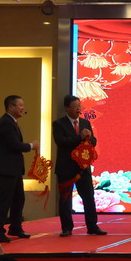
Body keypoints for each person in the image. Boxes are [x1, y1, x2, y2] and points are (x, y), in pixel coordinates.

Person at [53, 95, 106, 237]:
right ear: (66, 108)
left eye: (79, 105)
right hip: (66, 168)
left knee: (88, 197)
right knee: (65, 199)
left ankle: (92, 226)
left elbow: (93, 142)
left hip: (83, 168)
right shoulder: (58, 124)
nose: (78, 108)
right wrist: (80, 137)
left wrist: (90, 137)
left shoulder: (85, 123)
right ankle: (67, 228)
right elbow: (61, 142)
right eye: (75, 106)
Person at [0, 95, 39, 243]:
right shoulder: (6, 123)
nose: (23, 108)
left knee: (18, 199)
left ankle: (15, 227)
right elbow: (14, 145)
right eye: (20, 105)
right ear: (11, 107)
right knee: (3, 200)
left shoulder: (12, 122)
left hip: (14, 169)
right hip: (6, 169)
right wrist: (31, 146)